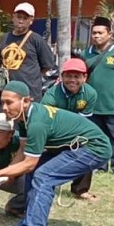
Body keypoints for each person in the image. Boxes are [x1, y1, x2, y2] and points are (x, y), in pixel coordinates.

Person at [0, 81, 112, 226]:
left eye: (9, 102)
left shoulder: (37, 122)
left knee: (43, 175)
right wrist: (8, 174)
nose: (4, 107)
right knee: (38, 171)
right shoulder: (24, 117)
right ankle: (36, 221)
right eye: (2, 102)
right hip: (75, 146)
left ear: (26, 101)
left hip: (94, 148)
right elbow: (23, 150)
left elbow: (29, 164)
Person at [41, 57, 100, 202]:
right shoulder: (51, 95)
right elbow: (45, 122)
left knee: (89, 146)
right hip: (52, 132)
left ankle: (81, 189)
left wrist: (74, 137)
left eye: (76, 76)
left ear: (84, 77)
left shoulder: (90, 94)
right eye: (68, 76)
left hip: (77, 131)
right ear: (62, 77)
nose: (72, 80)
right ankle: (44, 183)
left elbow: (84, 122)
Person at [83, 16, 114, 179]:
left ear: (109, 34)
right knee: (98, 138)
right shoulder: (86, 54)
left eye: (100, 33)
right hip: (93, 106)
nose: (96, 36)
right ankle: (100, 165)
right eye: (94, 33)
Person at [0, 2, 55, 102]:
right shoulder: (4, 38)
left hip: (29, 94)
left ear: (31, 21)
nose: (21, 21)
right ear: (13, 17)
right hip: (7, 93)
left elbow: (47, 65)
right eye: (18, 17)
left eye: (25, 18)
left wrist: (32, 76)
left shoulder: (36, 40)